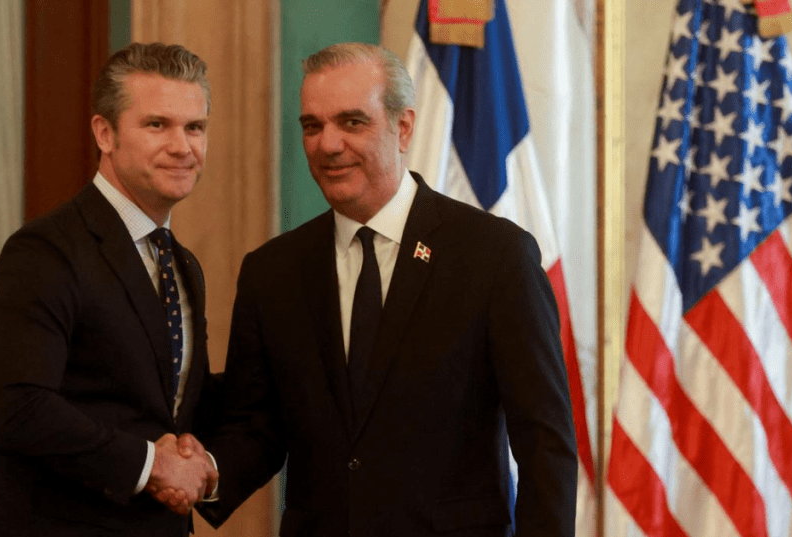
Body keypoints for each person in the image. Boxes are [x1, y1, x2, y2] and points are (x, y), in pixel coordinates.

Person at [194, 42, 578, 536]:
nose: (328, 144)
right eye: (312, 126)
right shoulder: (273, 271)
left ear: (403, 127)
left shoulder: (494, 257)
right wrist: (202, 472)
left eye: (351, 122)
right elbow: (257, 428)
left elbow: (545, 442)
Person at [0, 42, 221, 537]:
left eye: (194, 127)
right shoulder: (44, 251)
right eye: (157, 125)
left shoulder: (182, 264)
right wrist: (153, 464)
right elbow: (14, 409)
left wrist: (201, 463)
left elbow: (162, 404)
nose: (182, 146)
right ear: (104, 133)